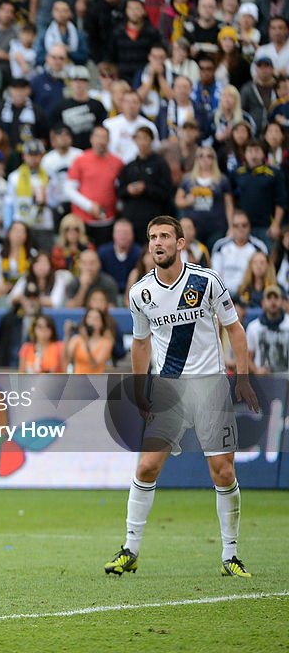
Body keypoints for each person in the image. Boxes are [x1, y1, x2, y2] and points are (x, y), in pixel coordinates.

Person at [107, 216, 258, 579]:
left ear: (180, 242)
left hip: (210, 387)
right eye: (152, 237)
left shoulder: (206, 282)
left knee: (222, 472)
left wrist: (244, 378)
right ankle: (130, 549)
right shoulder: (141, 293)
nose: (157, 242)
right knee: (146, 467)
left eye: (164, 237)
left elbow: (234, 329)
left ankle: (230, 555)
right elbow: (141, 342)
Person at [245, 284, 289, 372]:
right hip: (263, 381)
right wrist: (256, 370)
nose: (273, 301)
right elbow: (247, 357)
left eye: (276, 297)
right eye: (269, 298)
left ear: (282, 301)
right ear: (263, 302)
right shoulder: (253, 327)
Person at [63, 307, 114, 373]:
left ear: (102, 323)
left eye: (96, 319)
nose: (93, 321)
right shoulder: (77, 339)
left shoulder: (106, 342)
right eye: (90, 318)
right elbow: (66, 357)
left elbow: (95, 365)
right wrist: (67, 335)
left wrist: (86, 342)